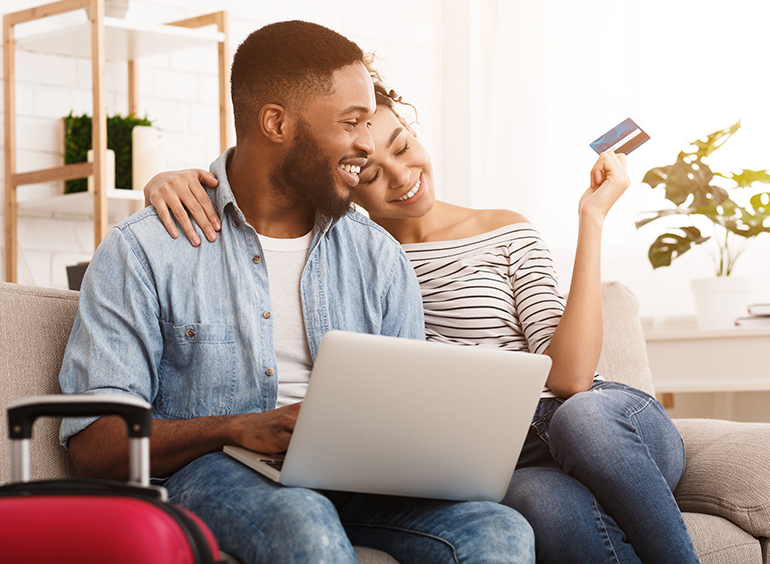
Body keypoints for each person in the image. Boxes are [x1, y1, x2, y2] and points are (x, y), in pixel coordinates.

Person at [147, 77, 701, 564]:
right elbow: (261, 182)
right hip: (509, 459)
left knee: (580, 420)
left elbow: (573, 380)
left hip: (605, 424)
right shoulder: (355, 263)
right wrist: (172, 179)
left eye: (403, 147)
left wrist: (592, 218)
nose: (401, 176)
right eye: (370, 174)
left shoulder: (502, 229)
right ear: (342, 181)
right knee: (540, 507)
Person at [58, 21, 536, 564]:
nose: (366, 142)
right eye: (352, 122)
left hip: (355, 479)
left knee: (497, 530)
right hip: (208, 474)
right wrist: (239, 427)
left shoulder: (378, 256)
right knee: (301, 519)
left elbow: (410, 418)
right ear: (276, 123)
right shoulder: (147, 249)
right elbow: (95, 445)